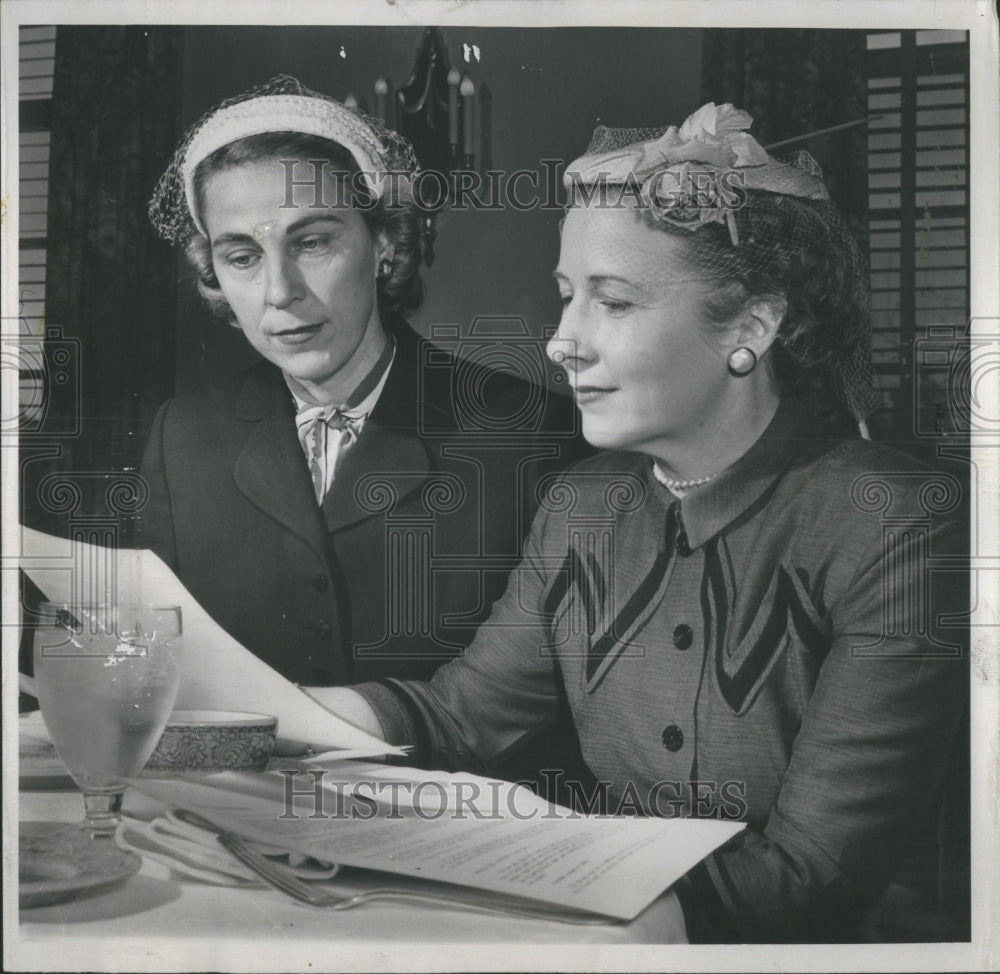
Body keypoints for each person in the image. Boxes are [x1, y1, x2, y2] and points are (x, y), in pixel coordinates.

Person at [315, 103, 969, 942]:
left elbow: (811, 876)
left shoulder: (895, 525)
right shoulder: (582, 504)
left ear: (752, 327)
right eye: (566, 297)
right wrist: (251, 722)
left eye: (612, 303)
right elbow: (458, 719)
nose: (562, 341)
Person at [139, 77, 591, 783]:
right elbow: (160, 672)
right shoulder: (182, 437)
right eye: (242, 256)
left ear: (384, 242)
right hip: (241, 837)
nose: (280, 291)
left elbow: (564, 704)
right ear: (214, 276)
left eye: (312, 241)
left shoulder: (531, 432)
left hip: (467, 847)